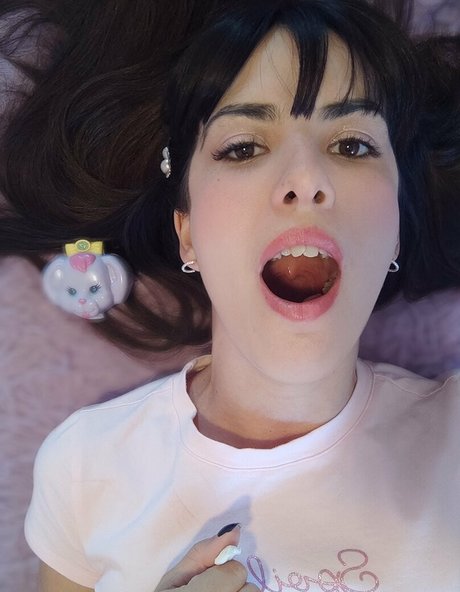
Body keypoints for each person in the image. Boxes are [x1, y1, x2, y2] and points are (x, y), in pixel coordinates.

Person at [0, 0, 459, 590]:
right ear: (187, 232)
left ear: (396, 227)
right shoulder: (85, 465)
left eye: (351, 145)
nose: (306, 181)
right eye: (243, 147)